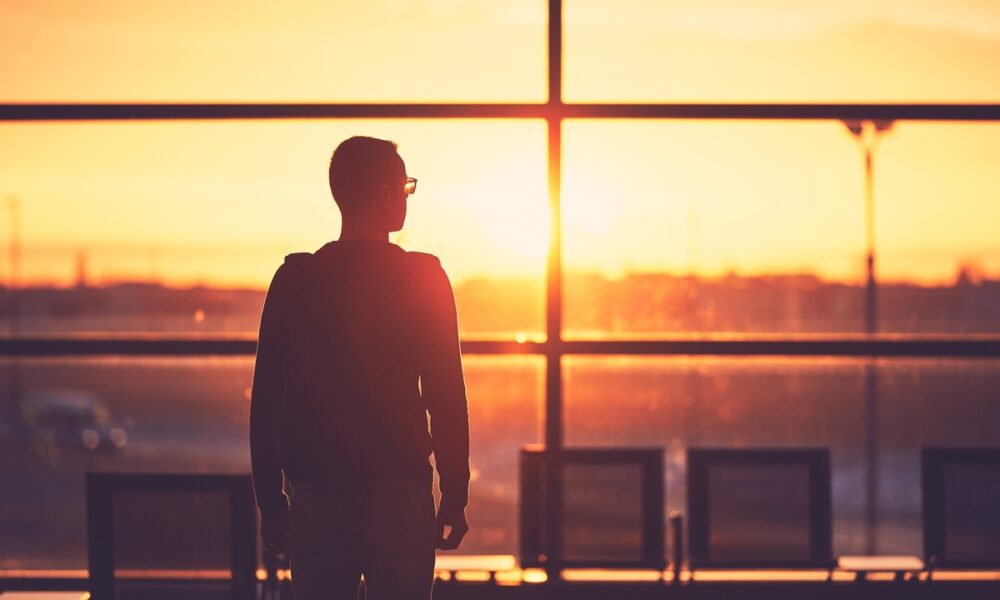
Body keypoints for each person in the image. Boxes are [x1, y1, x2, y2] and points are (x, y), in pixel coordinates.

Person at [249, 136, 470, 599]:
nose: (408, 197)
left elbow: (268, 399)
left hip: (317, 496)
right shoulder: (423, 279)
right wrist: (454, 493)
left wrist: (271, 502)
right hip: (399, 496)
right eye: (405, 187)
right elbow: (446, 395)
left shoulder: (295, 280)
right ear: (385, 195)